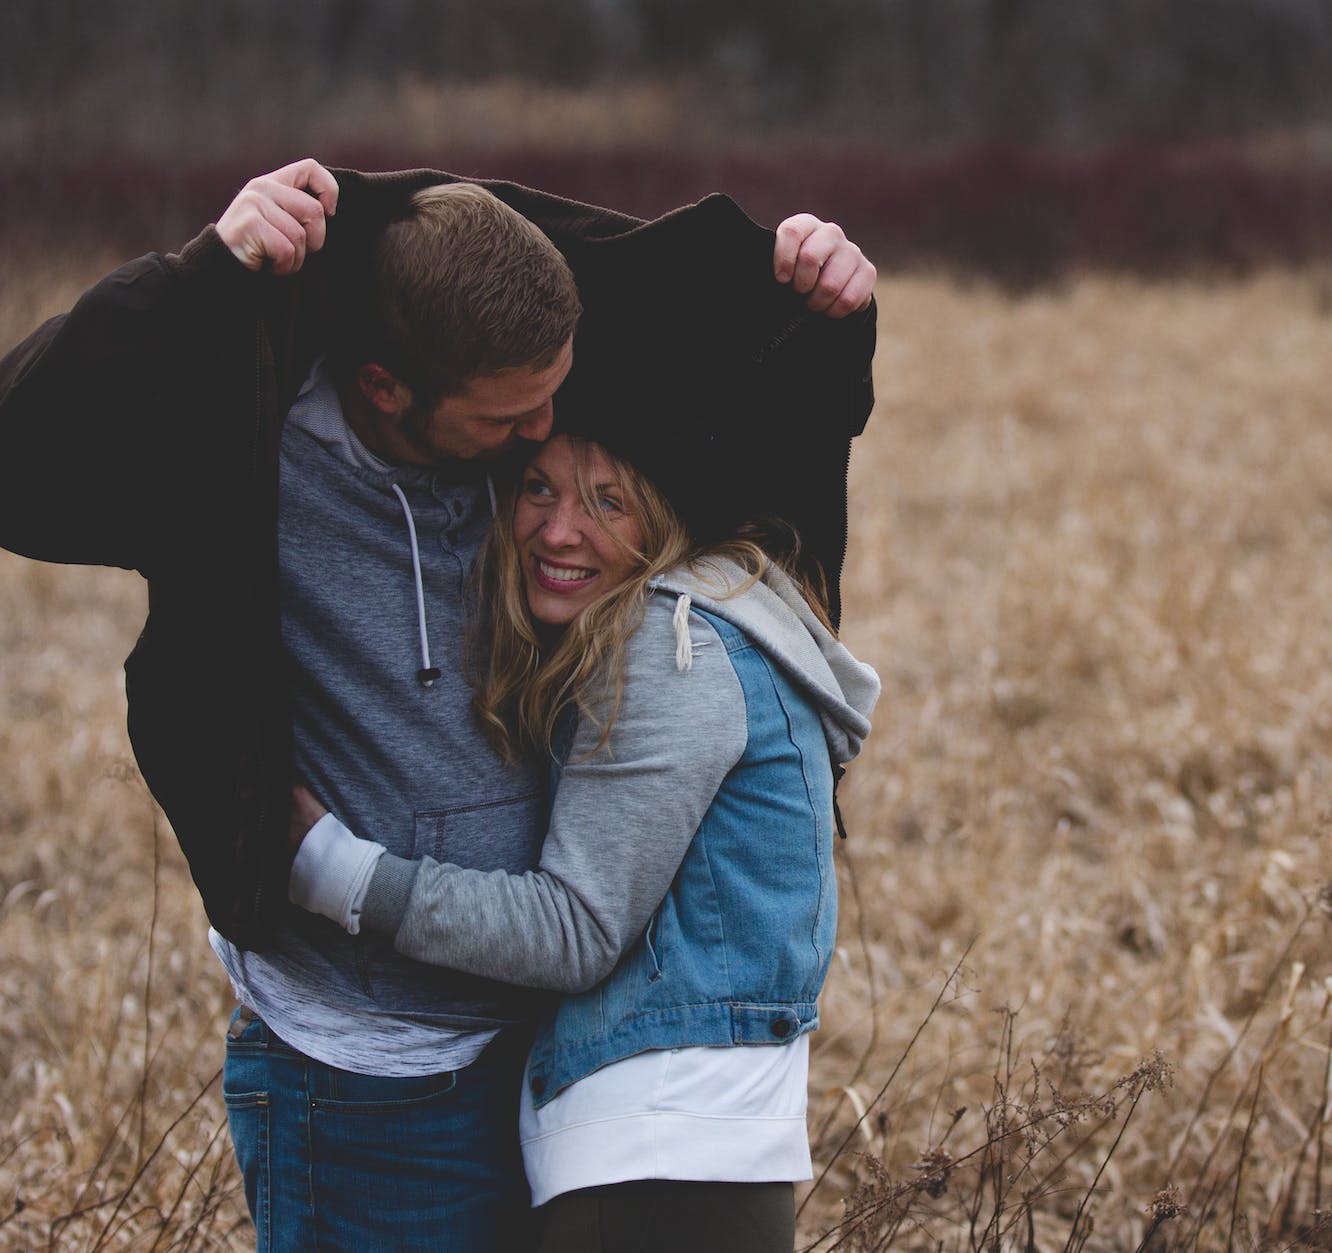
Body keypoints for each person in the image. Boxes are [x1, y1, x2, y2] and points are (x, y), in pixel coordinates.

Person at [0, 158, 878, 1250]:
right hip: (363, 1073)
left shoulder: (513, 413)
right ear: (385, 389)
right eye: (513, 421)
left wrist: (829, 301)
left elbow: (726, 388)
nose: (545, 431)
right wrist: (200, 276)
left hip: (537, 1058)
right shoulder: (241, 453)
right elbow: (19, 448)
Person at [287, 425, 877, 1250]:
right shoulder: (722, 619)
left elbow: (575, 930)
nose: (560, 530)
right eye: (538, 488)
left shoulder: (676, 650)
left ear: (666, 516)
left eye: (608, 501)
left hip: (654, 1159)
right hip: (693, 1155)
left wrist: (336, 872)